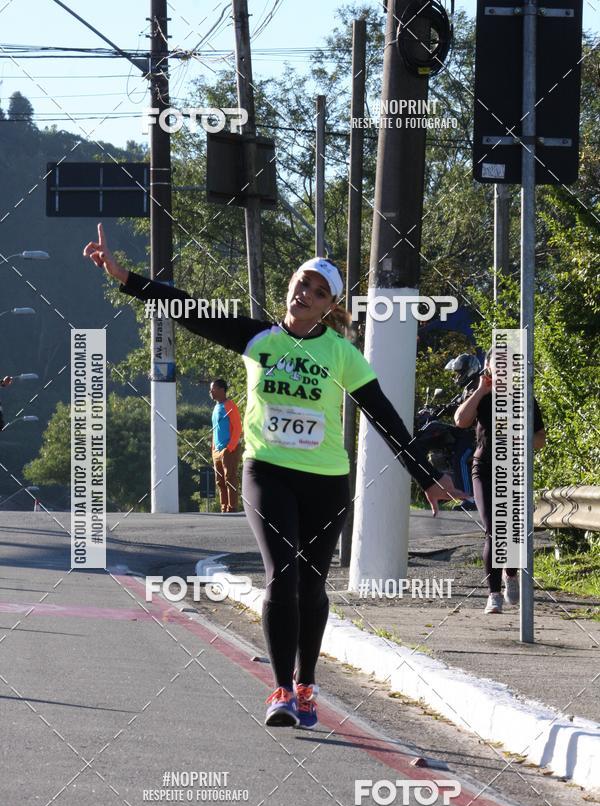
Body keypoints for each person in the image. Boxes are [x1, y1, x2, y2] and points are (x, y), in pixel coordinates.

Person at [84, 223, 466, 729]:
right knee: (281, 575)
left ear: (330, 307)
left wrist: (425, 476)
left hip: (327, 481)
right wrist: (123, 276)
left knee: (311, 585)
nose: (304, 293)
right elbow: (189, 308)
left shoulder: (343, 355)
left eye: (318, 290)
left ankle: (307, 684)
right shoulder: (258, 338)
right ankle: (281, 689)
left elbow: (385, 417)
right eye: (301, 283)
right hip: (267, 473)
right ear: (290, 287)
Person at [454, 348, 546, 614]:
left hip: (513, 468)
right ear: (488, 366)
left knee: (512, 531)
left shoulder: (523, 397)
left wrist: (522, 439)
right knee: (494, 531)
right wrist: (481, 390)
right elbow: (461, 421)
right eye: (498, 364)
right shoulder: (479, 394)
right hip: (483, 467)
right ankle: (493, 594)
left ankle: (510, 574)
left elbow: (540, 438)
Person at [209, 378, 242, 513]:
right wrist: (213, 447)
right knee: (220, 481)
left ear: (222, 390)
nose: (210, 391)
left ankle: (232, 507)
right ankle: (224, 507)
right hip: (216, 450)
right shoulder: (216, 407)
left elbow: (238, 428)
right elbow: (215, 428)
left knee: (230, 478)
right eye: (210, 389)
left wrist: (230, 447)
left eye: (213, 388)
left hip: (228, 449)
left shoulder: (230, 405)